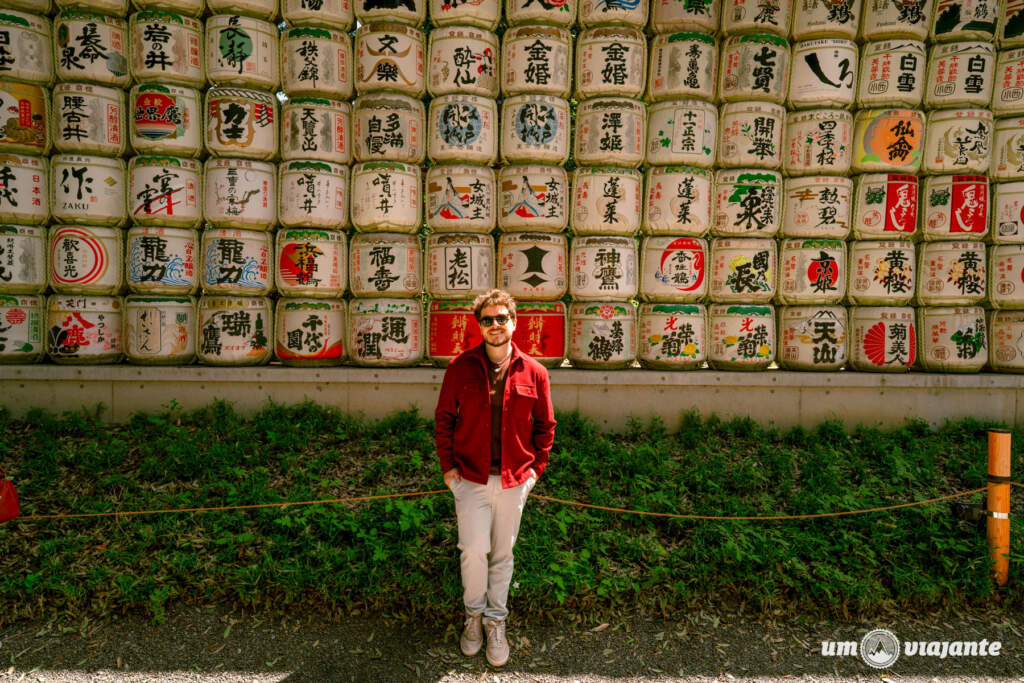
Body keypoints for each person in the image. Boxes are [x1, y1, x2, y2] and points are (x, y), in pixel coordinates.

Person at [434, 289, 556, 667]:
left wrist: (535, 472)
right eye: (487, 320)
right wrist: (449, 469)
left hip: (514, 480)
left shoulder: (535, 372)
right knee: (473, 550)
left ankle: (495, 621)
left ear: (514, 322)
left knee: (503, 555)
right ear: (480, 326)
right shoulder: (459, 368)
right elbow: (444, 420)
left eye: (502, 318)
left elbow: (546, 426)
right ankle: (473, 617)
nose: (495, 325)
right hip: (470, 478)